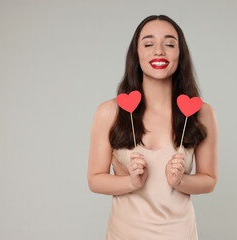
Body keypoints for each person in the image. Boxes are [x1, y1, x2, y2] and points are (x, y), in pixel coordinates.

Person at [87, 14, 218, 240]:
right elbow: (94, 179)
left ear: (180, 54)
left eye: (169, 44)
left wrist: (180, 181)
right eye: (148, 44)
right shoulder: (109, 112)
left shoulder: (202, 113)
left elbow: (209, 180)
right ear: (136, 54)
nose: (159, 51)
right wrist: (130, 182)